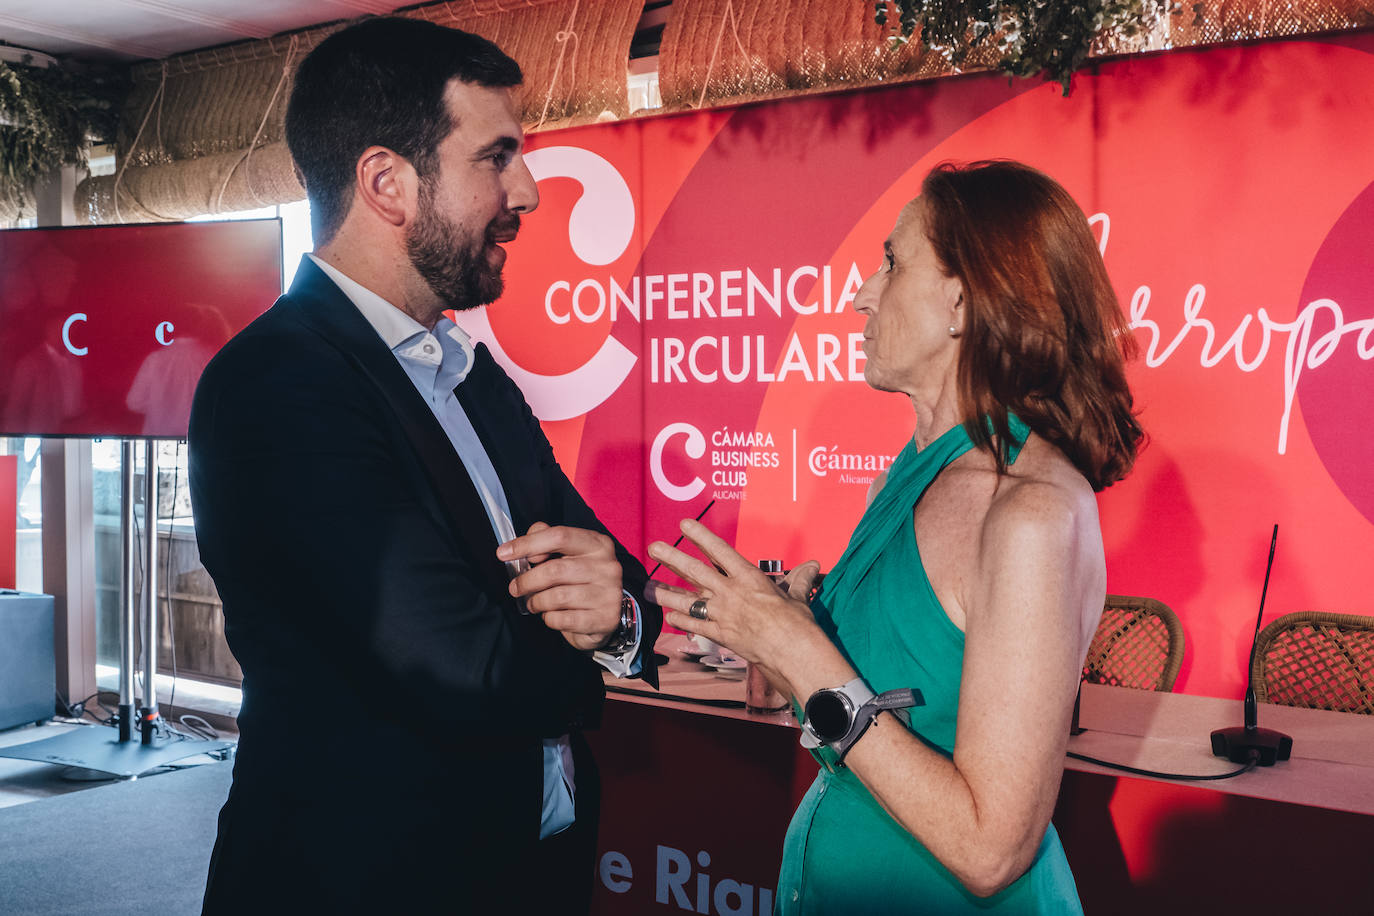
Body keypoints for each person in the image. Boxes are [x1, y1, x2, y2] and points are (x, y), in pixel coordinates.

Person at [189, 17, 660, 914]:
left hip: (532, 871)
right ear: (387, 183)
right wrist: (603, 630)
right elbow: (464, 672)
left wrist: (618, 610)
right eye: (497, 157)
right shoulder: (279, 385)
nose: (526, 190)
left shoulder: (469, 374)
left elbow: (603, 565)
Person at [647, 160, 1142, 914]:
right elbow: (851, 708)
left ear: (963, 302)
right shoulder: (904, 479)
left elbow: (991, 849)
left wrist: (801, 655)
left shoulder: (1032, 512)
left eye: (890, 262)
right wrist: (756, 635)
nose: (860, 295)